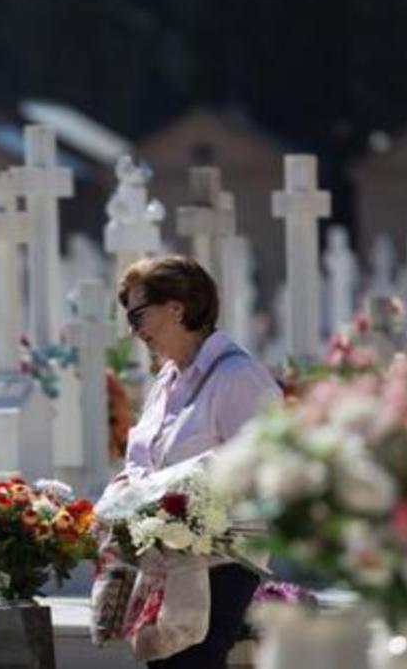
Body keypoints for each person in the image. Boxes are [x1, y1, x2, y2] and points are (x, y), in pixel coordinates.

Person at [107, 255, 280, 668]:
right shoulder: (166, 381)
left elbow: (265, 467)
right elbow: (140, 461)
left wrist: (184, 498)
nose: (134, 331)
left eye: (138, 315)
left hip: (221, 566)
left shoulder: (237, 376)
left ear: (176, 309)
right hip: (167, 561)